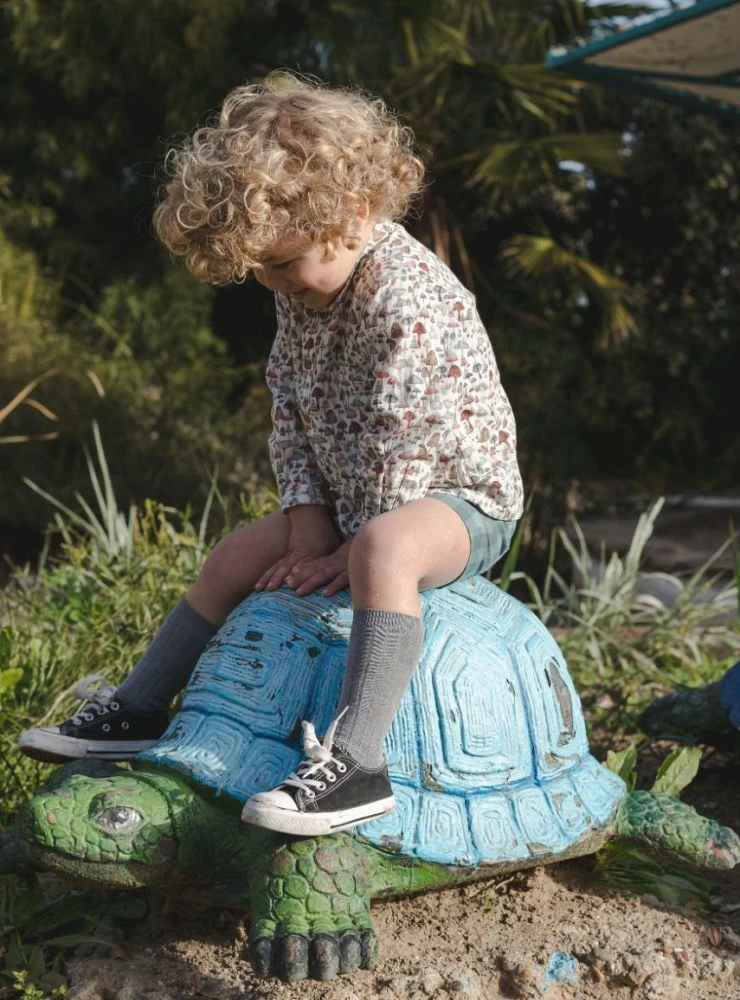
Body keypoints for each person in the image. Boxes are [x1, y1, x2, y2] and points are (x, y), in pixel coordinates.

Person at [19, 76, 524, 837]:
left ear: (351, 214)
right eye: (260, 269)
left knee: (385, 552)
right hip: (354, 496)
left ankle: (358, 762)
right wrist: (306, 523)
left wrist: (351, 545)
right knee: (231, 559)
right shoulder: (306, 287)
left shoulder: (407, 298)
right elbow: (288, 406)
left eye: (283, 264)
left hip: (455, 499)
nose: (273, 283)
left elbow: (404, 443)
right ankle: (142, 706)